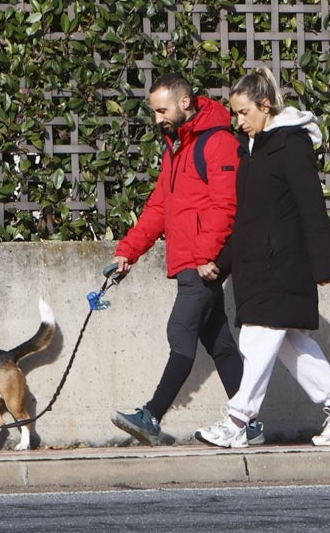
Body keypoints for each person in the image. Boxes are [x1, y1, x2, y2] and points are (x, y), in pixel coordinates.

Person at [195, 67, 330, 448]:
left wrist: (324, 265)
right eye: (236, 114)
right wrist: (222, 262)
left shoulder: (291, 145)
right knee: (292, 345)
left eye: (244, 113)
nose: (239, 122)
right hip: (257, 267)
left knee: (256, 341)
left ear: (266, 105)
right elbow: (248, 218)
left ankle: (238, 420)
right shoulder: (251, 149)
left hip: (284, 266)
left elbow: (310, 206)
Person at [109, 73, 262, 446]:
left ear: (184, 102)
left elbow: (226, 204)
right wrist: (128, 252)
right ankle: (251, 423)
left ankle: (151, 416)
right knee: (219, 341)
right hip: (190, 258)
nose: (157, 118)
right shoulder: (176, 147)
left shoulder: (218, 142)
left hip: (202, 261)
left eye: (162, 109)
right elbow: (159, 207)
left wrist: (206, 254)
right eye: (154, 111)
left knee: (181, 331)